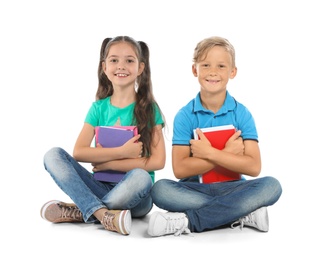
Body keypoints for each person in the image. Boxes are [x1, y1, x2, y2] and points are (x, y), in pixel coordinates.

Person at [148, 36, 282, 237]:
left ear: (232, 72)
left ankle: (188, 221)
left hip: (234, 188)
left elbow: (253, 167)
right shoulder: (185, 115)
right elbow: (180, 169)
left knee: (272, 186)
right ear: (195, 70)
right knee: (160, 190)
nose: (213, 72)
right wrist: (227, 153)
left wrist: (211, 153)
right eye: (206, 65)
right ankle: (240, 213)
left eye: (221, 66)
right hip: (194, 189)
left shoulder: (242, 114)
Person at [40, 36, 166, 236]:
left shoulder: (149, 109)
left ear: (140, 68)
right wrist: (122, 152)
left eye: (129, 60)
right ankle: (102, 214)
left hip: (136, 196)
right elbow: (79, 152)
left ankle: (83, 209)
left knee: (141, 177)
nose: (121, 66)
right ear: (104, 67)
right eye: (114, 60)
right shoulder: (98, 108)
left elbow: (158, 161)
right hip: (100, 186)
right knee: (52, 155)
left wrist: (109, 164)